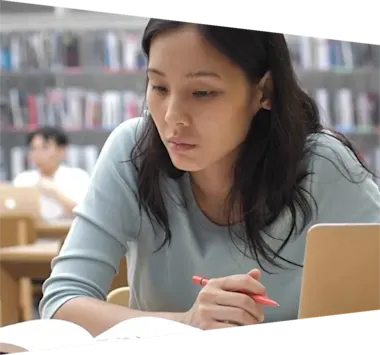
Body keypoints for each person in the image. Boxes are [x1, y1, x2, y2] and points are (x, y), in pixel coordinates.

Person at [39, 19, 380, 335]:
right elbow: (62, 303)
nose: (173, 117)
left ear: (264, 92)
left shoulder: (323, 165)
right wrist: (186, 323)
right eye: (158, 87)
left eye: (202, 93)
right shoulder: (133, 152)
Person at [13, 126, 90, 221]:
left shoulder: (78, 177)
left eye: (45, 148)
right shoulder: (23, 179)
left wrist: (54, 192)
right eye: (33, 148)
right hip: (33, 233)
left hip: (66, 233)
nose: (38, 153)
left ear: (62, 150)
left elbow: (84, 214)